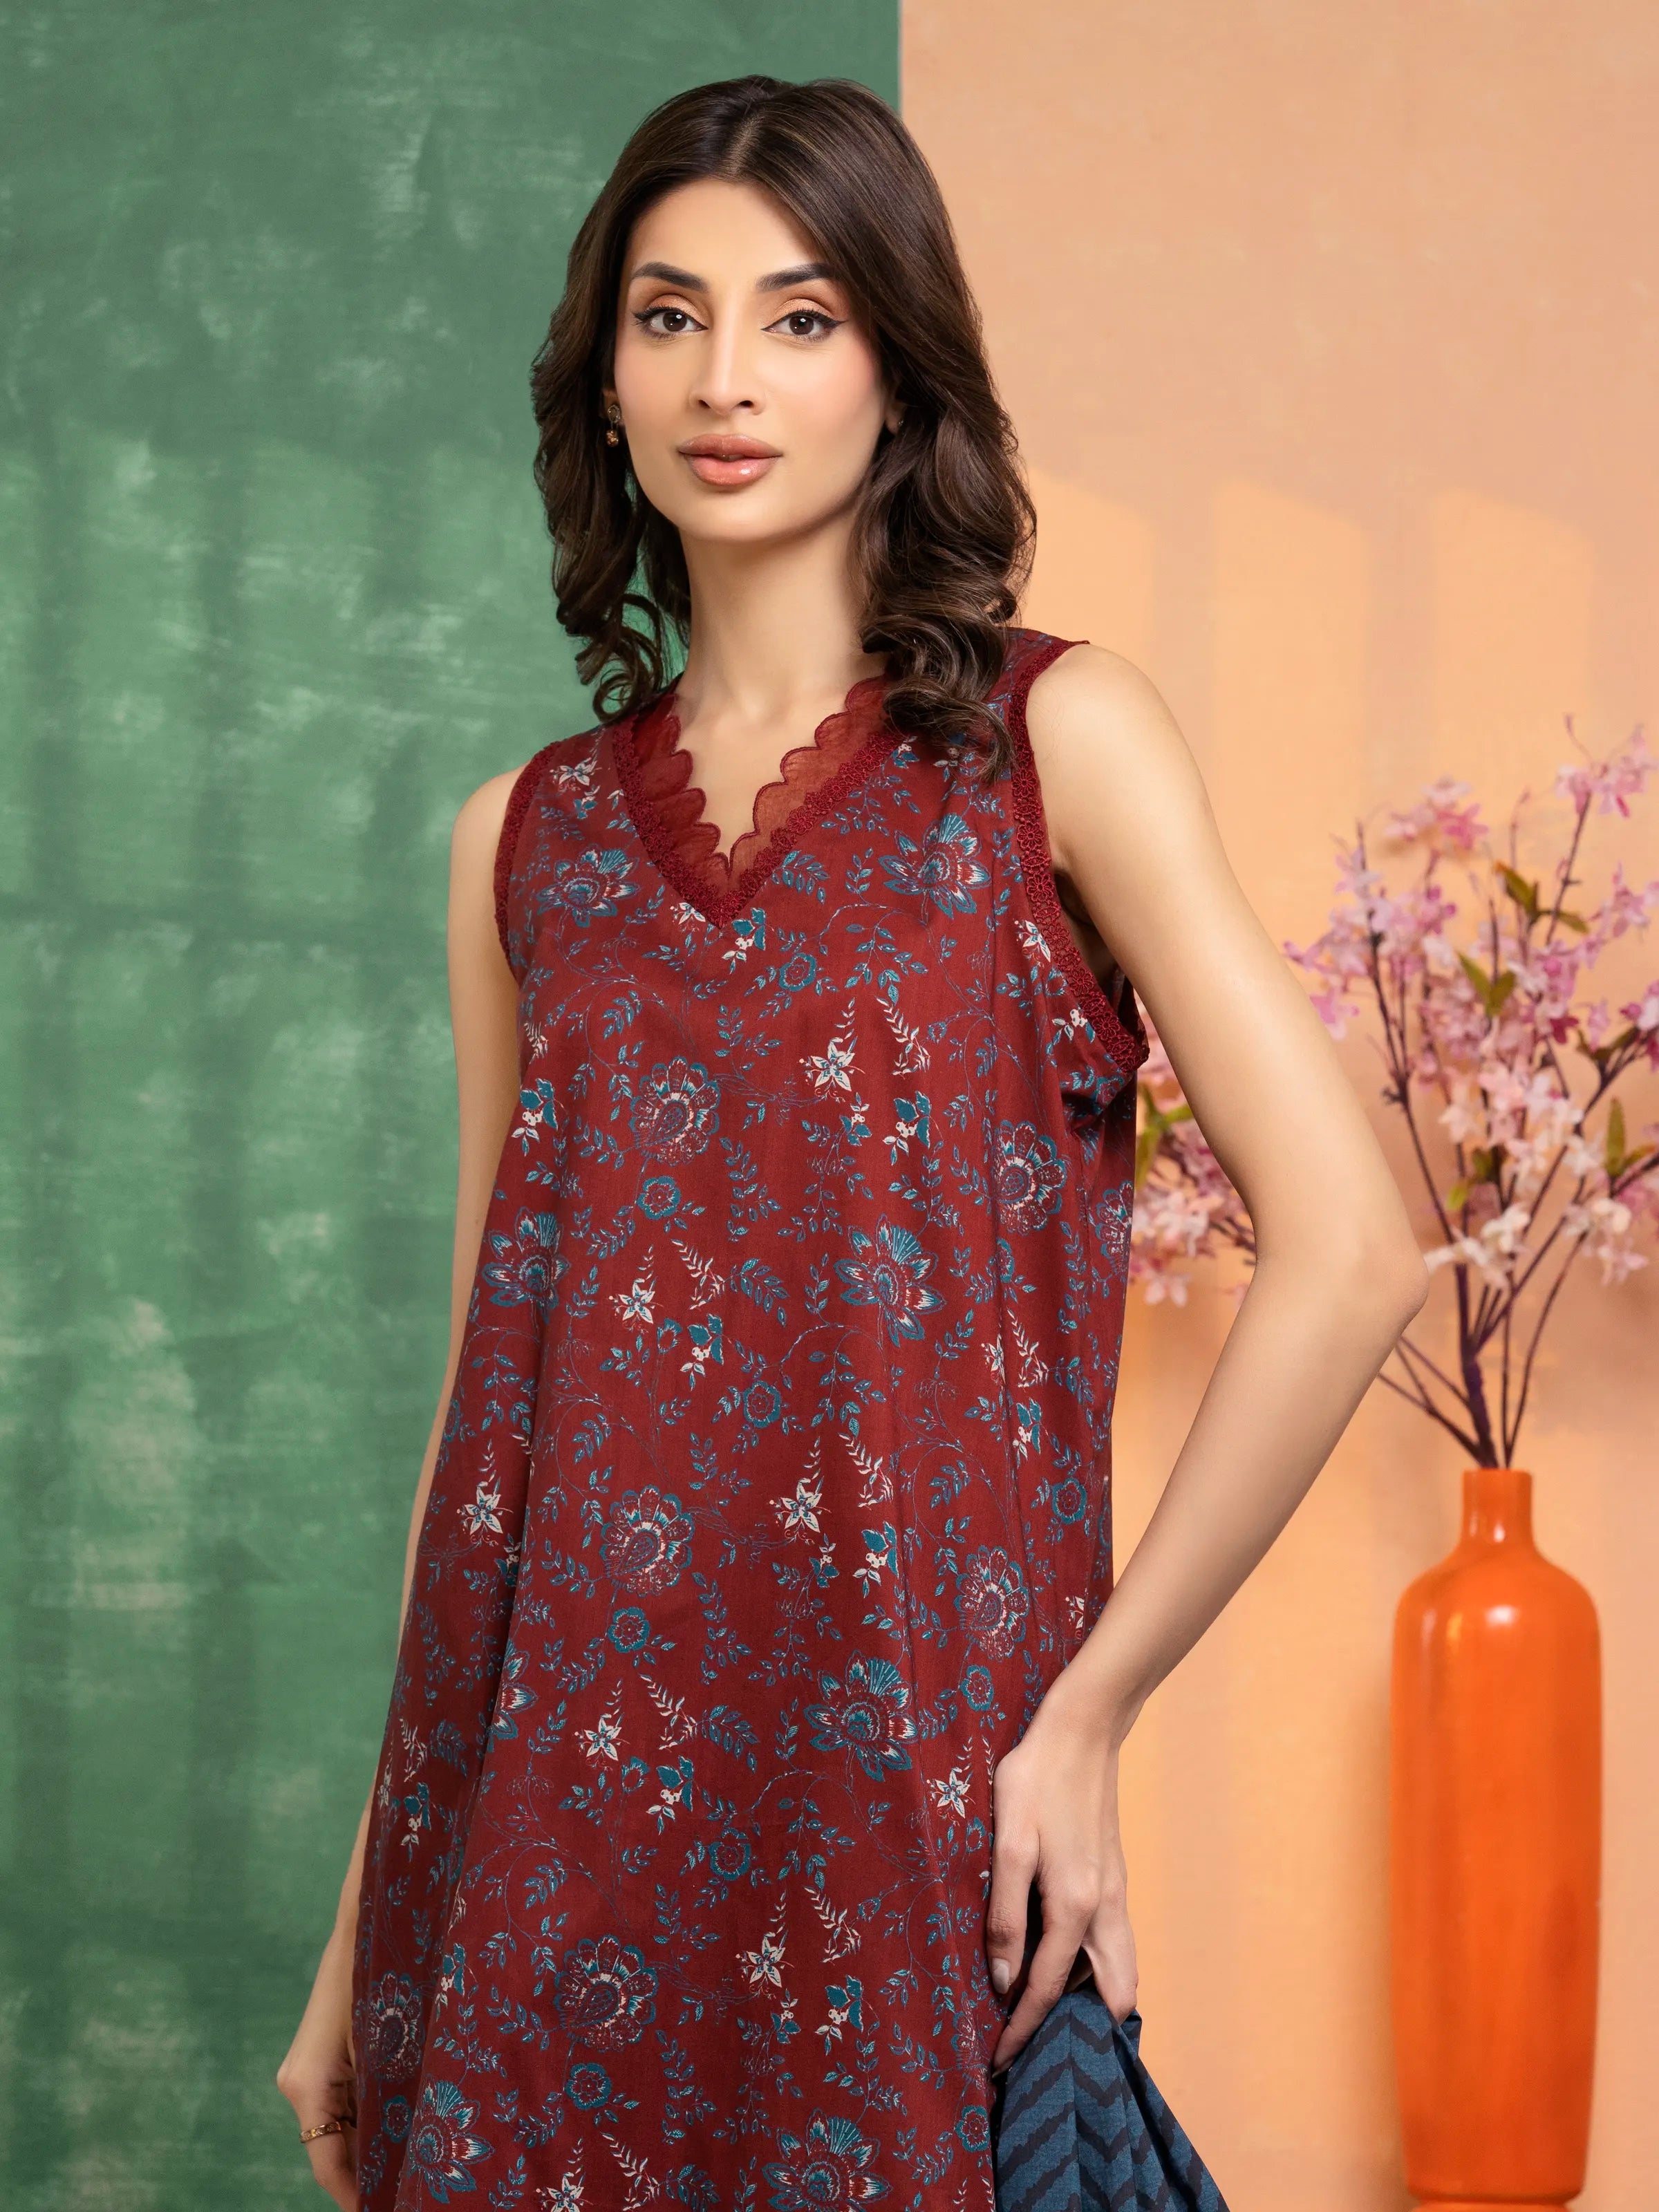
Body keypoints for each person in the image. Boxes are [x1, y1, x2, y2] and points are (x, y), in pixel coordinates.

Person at [276, 73, 1427, 2212]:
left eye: (800, 318)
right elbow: (487, 1415)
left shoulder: (1055, 746)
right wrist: (367, 1922)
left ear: (899, 370)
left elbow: (1353, 1247)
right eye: (670, 316)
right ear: (603, 380)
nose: (727, 378)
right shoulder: (520, 843)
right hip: (532, 1848)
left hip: (900, 1810)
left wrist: (1088, 1718)